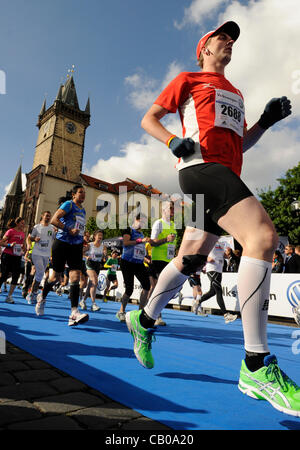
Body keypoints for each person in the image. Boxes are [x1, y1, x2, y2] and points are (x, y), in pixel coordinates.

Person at [125, 21, 300, 416]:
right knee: (262, 238)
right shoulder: (188, 78)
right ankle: (256, 364)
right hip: (199, 168)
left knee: (191, 257)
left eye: (233, 39)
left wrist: (265, 122)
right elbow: (149, 118)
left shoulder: (236, 92)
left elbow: (243, 145)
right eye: (222, 37)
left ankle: (144, 319)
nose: (230, 42)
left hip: (225, 172)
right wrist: (173, 141)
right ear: (203, 48)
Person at [35, 184, 89, 326]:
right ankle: (42, 296)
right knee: (55, 277)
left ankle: (74, 313)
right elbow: (54, 220)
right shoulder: (68, 204)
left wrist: (82, 237)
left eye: (84, 193)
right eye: (80, 192)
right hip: (62, 243)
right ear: (73, 194)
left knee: (75, 276)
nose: (83, 195)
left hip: (76, 246)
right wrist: (68, 229)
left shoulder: (83, 211)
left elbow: (79, 228)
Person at [116, 214, 151, 322]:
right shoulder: (128, 230)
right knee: (129, 289)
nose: (143, 224)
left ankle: (140, 312)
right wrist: (141, 241)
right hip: (127, 262)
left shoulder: (141, 233)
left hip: (138, 263)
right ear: (136, 220)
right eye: (142, 221)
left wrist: (146, 257)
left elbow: (140, 249)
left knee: (147, 286)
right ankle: (121, 311)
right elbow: (126, 243)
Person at [149, 201, 177, 326]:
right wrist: (166, 239)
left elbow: (172, 244)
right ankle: (155, 316)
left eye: (173, 208)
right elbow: (152, 242)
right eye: (170, 208)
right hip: (158, 259)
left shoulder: (173, 225)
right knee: (160, 287)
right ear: (164, 210)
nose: (172, 210)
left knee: (164, 288)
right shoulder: (158, 223)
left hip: (169, 260)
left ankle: (150, 310)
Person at [197, 242, 238, 323]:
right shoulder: (210, 240)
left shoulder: (223, 243)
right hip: (211, 269)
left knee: (213, 292)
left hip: (219, 269)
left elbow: (224, 255)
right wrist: (206, 258)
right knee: (219, 291)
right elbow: (200, 251)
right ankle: (226, 315)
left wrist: (228, 254)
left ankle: (197, 301)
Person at [26, 211, 55, 304]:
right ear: (42, 216)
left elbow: (55, 238)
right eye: (46, 216)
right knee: (40, 272)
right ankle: (32, 294)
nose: (48, 217)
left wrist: (57, 232)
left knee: (40, 274)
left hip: (46, 254)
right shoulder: (37, 227)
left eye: (49, 216)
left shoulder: (52, 228)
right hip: (37, 253)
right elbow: (30, 237)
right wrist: (35, 239)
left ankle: (32, 293)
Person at [0, 217, 26, 303]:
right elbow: (1, 242)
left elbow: (24, 247)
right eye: (22, 223)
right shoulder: (10, 231)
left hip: (17, 257)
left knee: (16, 276)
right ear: (17, 223)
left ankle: (9, 296)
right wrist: (9, 245)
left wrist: (23, 248)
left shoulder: (23, 233)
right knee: (4, 275)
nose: (23, 225)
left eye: (24, 223)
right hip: (7, 255)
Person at [80, 229, 105, 311]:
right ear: (95, 236)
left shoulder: (103, 246)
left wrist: (105, 255)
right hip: (89, 264)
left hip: (97, 265)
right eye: (99, 236)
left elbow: (105, 256)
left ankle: (83, 300)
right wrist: (86, 257)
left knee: (91, 284)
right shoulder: (90, 245)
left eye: (101, 236)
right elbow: (81, 252)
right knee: (94, 281)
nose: (100, 237)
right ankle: (93, 304)